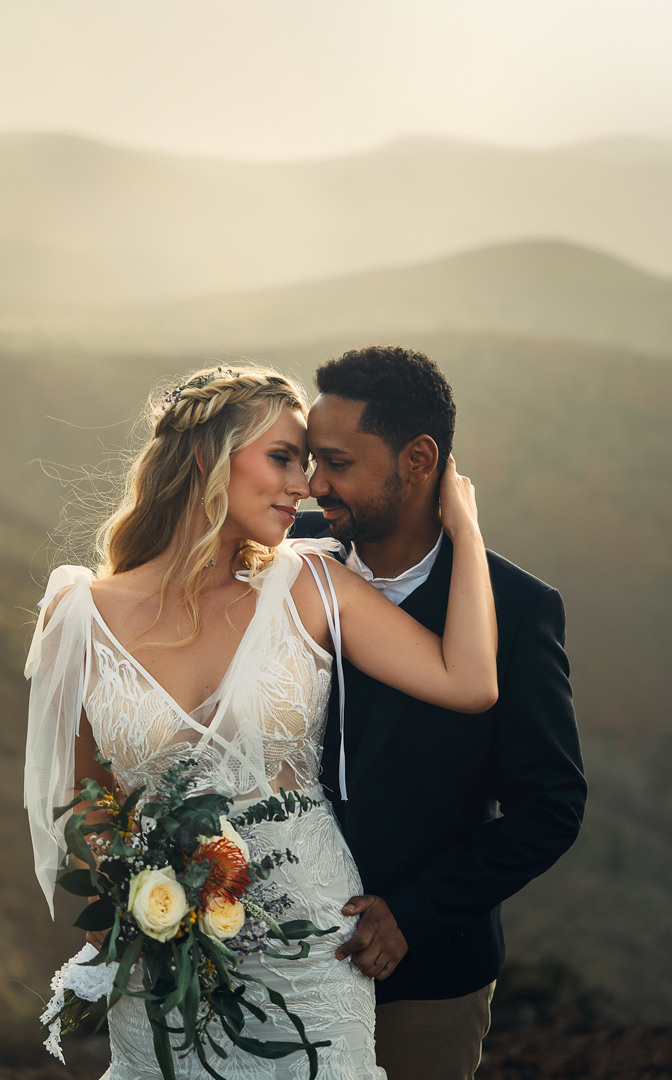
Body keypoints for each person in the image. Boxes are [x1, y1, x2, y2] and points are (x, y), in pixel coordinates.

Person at [24, 363, 498, 1080]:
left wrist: (464, 527)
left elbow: (468, 681)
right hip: (163, 954)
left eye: (306, 465)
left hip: (312, 948)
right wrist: (145, 893)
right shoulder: (80, 615)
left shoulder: (310, 585)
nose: (304, 487)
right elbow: (85, 805)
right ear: (204, 457)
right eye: (282, 458)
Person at [293, 345, 587, 1080]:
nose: (312, 484)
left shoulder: (518, 610)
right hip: (272, 964)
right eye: (308, 460)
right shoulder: (280, 559)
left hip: (424, 986)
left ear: (419, 460)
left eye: (336, 462)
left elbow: (549, 807)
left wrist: (413, 912)